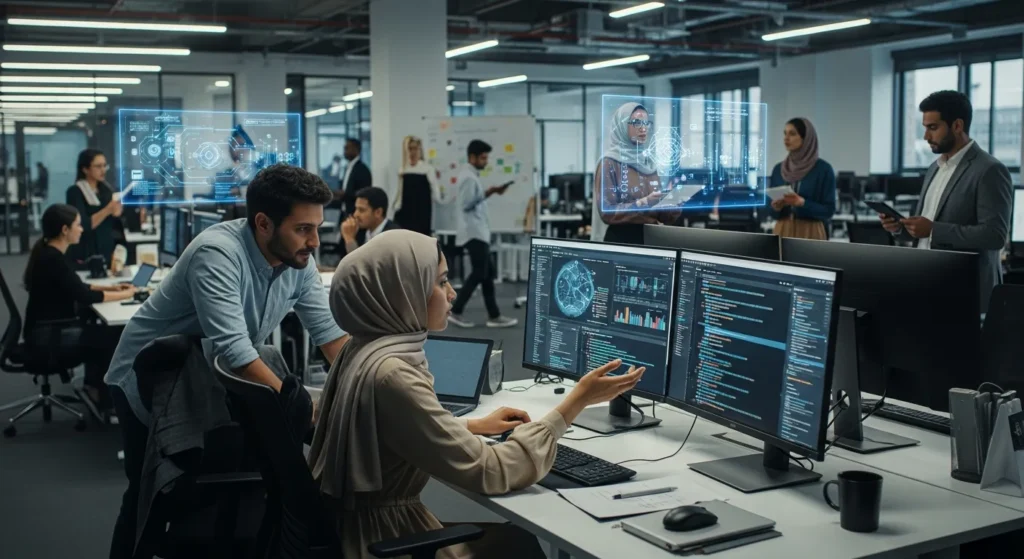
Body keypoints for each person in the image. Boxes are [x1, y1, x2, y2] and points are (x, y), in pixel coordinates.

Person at [309, 229, 644, 559]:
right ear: (404, 292)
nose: (452, 293)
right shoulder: (392, 374)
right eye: (440, 282)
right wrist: (574, 404)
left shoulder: (361, 349)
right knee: (519, 543)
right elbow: (493, 471)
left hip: (356, 529)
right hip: (386, 539)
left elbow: (388, 430)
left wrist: (471, 427)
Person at [104, 163, 350, 559]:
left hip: (206, 375)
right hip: (145, 375)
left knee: (223, 485)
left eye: (317, 228)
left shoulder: (296, 263)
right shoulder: (217, 254)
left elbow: (331, 337)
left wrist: (366, 386)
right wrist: (296, 405)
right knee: (149, 493)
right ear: (264, 223)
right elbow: (236, 353)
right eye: (303, 229)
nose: (315, 241)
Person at [879, 90, 1011, 312]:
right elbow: (926, 228)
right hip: (925, 282)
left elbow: (994, 236)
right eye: (925, 128)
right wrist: (900, 228)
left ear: (957, 126)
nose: (926, 137)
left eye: (933, 128)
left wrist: (933, 230)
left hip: (964, 291)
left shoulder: (989, 170)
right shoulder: (934, 168)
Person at [23, 204, 135, 406]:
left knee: (101, 331)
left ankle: (93, 387)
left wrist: (115, 290)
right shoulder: (53, 259)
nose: (82, 229)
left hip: (45, 331)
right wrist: (127, 294)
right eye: (78, 225)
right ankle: (104, 400)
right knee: (114, 337)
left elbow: (76, 285)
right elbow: (84, 295)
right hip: (50, 337)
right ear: (65, 230)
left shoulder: (49, 253)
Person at [448, 140, 517, 329]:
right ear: (473, 157)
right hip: (473, 233)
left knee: (488, 274)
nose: (486, 162)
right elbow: (466, 204)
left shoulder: (471, 175)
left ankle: (494, 315)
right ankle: (456, 310)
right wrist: (490, 192)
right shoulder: (468, 178)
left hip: (478, 232)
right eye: (483, 158)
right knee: (479, 273)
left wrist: (490, 192)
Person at [596, 101, 680, 245]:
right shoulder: (609, 163)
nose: (643, 128)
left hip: (652, 240)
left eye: (646, 123)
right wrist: (643, 203)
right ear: (621, 126)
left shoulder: (648, 163)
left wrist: (673, 203)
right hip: (622, 242)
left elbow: (662, 215)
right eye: (636, 122)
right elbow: (607, 212)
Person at [768, 117, 836, 240]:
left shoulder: (823, 169)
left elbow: (828, 211)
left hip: (811, 231)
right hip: (782, 229)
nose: (786, 138)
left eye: (792, 134)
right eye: (785, 133)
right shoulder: (778, 169)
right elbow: (770, 210)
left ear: (806, 138)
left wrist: (802, 203)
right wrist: (775, 207)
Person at [66, 149, 122, 268]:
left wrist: (117, 211)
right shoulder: (75, 192)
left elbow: (114, 221)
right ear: (85, 169)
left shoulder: (106, 190)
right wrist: (107, 210)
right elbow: (84, 225)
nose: (103, 170)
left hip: (106, 250)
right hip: (85, 252)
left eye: (104, 166)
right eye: (98, 166)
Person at [394, 135, 443, 236]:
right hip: (405, 212)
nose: (413, 152)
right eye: (410, 148)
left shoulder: (427, 169)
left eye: (415, 148)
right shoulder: (402, 170)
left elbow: (435, 190)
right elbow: (398, 192)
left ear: (420, 150)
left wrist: (439, 200)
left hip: (422, 212)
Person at [340, 186, 402, 257]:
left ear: (378, 212)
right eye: (356, 209)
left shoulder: (392, 235)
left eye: (361, 210)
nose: (355, 214)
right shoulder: (358, 229)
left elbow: (364, 266)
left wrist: (350, 239)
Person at [339, 138, 372, 215]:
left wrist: (345, 194)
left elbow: (364, 193)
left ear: (356, 149)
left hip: (356, 212)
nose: (345, 150)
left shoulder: (362, 169)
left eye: (347, 148)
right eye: (344, 148)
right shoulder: (347, 167)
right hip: (345, 210)